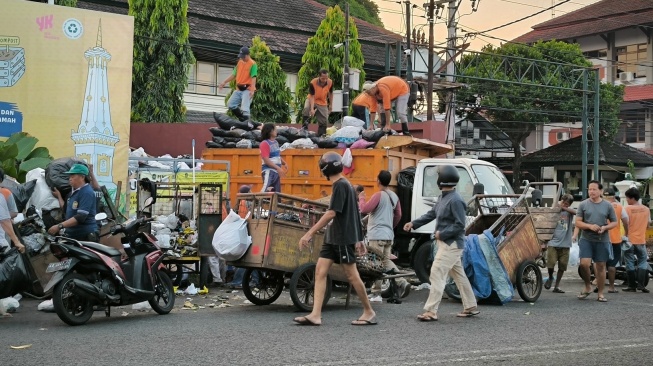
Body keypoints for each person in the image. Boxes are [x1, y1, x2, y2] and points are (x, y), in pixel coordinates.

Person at [294, 152, 376, 326]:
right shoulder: (345, 184)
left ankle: (368, 311)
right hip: (332, 237)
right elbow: (355, 214)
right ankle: (315, 314)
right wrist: (360, 238)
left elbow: (332, 213)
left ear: (324, 170)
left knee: (352, 276)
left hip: (342, 238)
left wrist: (309, 233)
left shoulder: (341, 185)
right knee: (320, 271)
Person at [404, 165, 479, 321]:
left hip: (452, 244)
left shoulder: (456, 200)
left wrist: (442, 233)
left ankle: (431, 311)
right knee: (459, 275)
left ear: (442, 179)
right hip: (445, 243)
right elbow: (432, 214)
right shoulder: (443, 198)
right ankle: (470, 306)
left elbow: (460, 225)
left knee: (437, 271)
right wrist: (414, 223)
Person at [360, 170, 410, 302]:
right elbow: (398, 215)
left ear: (378, 181)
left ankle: (376, 294)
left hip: (377, 235)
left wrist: (361, 198)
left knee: (376, 264)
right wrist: (390, 226)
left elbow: (364, 209)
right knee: (386, 261)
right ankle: (401, 281)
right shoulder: (394, 196)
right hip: (389, 235)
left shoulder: (379, 195)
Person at [574, 180, 617, 302]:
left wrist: (605, 227)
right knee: (584, 264)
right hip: (586, 238)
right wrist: (590, 226)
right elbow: (577, 222)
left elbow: (614, 222)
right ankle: (588, 286)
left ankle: (601, 293)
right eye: (589, 189)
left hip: (602, 239)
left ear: (601, 191)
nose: (591, 191)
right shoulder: (583, 204)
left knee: (601, 266)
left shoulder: (608, 205)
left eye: (594, 189)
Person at [47, 164, 98, 241]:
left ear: (82, 177)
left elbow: (80, 217)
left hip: (85, 236)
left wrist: (59, 226)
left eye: (73, 176)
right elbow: (65, 209)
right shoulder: (72, 193)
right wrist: (59, 196)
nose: (70, 179)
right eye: (69, 176)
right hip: (73, 235)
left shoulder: (86, 192)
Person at [544, 194, 576, 293]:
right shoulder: (554, 210)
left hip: (565, 243)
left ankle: (557, 286)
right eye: (563, 202)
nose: (564, 205)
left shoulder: (569, 213)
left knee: (562, 266)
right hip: (553, 242)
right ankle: (550, 277)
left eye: (566, 204)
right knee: (551, 263)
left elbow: (576, 212)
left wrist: (564, 208)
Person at [622, 187, 650, 293]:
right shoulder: (646, 209)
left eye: (627, 198)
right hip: (641, 240)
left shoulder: (627, 209)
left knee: (629, 261)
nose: (627, 200)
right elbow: (648, 224)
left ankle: (632, 286)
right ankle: (641, 285)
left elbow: (625, 223)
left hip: (629, 240)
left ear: (632, 198)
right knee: (642, 261)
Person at [218, 46, 257, 122]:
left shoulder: (253, 64)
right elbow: (233, 75)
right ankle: (242, 119)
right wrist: (224, 82)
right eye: (241, 57)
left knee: (245, 108)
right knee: (230, 104)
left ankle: (247, 123)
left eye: (243, 57)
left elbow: (253, 77)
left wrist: (252, 90)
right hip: (239, 89)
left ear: (248, 55)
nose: (242, 58)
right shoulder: (240, 62)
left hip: (247, 89)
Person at [603, 188, 629, 293]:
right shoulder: (619, 207)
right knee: (612, 264)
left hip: (602, 238)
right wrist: (626, 234)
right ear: (614, 196)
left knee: (600, 262)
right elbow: (626, 222)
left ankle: (598, 283)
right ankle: (611, 287)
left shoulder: (600, 205)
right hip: (615, 239)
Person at [302, 69, 333, 136]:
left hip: (322, 102)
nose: (324, 80)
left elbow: (330, 93)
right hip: (312, 99)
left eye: (326, 78)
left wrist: (330, 105)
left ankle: (321, 135)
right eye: (322, 78)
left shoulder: (330, 82)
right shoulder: (313, 82)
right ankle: (304, 130)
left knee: (324, 120)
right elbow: (312, 96)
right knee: (306, 108)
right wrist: (312, 109)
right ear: (319, 76)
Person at [259, 123, 287, 193]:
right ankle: (257, 202)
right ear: (270, 131)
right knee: (265, 190)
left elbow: (277, 156)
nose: (276, 131)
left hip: (276, 172)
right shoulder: (264, 143)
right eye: (275, 130)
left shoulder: (276, 142)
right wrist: (278, 168)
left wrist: (284, 163)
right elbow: (266, 160)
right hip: (269, 171)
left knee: (276, 193)